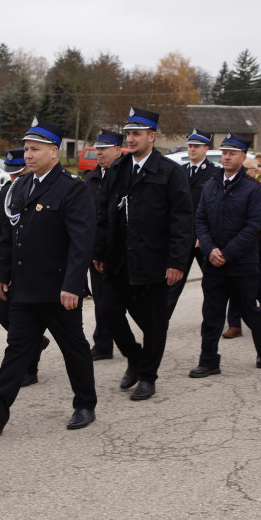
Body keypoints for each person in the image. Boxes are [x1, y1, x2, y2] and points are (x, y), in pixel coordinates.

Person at [0, 118, 98, 434]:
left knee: (73, 348)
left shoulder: (72, 188)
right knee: (17, 349)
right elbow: (9, 234)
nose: (28, 155)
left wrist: (73, 285)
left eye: (35, 149)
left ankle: (85, 405)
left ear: (53, 151)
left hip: (58, 290)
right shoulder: (20, 186)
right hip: (23, 287)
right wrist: (1, 273)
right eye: (26, 149)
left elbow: (82, 241)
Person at [92, 108, 194, 401]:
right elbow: (104, 213)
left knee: (154, 322)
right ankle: (135, 357)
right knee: (109, 309)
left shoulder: (170, 172)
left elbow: (182, 220)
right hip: (119, 258)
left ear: (152, 136)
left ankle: (148, 376)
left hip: (153, 259)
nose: (131, 139)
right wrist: (99, 250)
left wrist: (176, 262)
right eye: (128, 134)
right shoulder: (119, 169)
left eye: (137, 134)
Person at [188, 133, 261, 378]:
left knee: (248, 310)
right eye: (224, 153)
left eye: (232, 153)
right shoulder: (210, 186)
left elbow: (254, 228)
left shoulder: (254, 188)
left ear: (243, 157)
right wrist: (210, 249)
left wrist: (226, 253)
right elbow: (200, 220)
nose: (226, 157)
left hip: (242, 264)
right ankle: (209, 361)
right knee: (211, 314)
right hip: (213, 263)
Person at [0, 148, 51, 385]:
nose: (13, 179)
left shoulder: (45, 190)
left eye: (18, 174)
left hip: (36, 271)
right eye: (11, 174)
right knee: (3, 314)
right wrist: (3, 268)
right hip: (12, 269)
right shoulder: (8, 191)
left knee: (28, 321)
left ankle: (29, 369)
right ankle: (36, 343)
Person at [224, 154, 261, 337]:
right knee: (234, 285)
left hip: (259, 243)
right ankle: (234, 324)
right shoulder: (233, 185)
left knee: (258, 285)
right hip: (237, 243)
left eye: (247, 169)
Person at [167, 129, 221, 319]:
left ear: (206, 148)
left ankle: (213, 322)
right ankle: (160, 324)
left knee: (212, 284)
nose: (192, 149)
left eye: (196, 146)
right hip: (182, 237)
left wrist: (205, 235)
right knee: (172, 283)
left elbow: (215, 208)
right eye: (190, 146)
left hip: (203, 237)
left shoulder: (215, 173)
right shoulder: (179, 172)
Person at [86, 130, 128, 361]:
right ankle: (103, 344)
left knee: (127, 301)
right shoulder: (91, 179)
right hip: (98, 251)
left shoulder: (127, 176)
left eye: (104, 148)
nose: (99, 153)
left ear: (118, 150)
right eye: (97, 149)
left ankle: (139, 344)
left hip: (123, 251)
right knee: (102, 300)